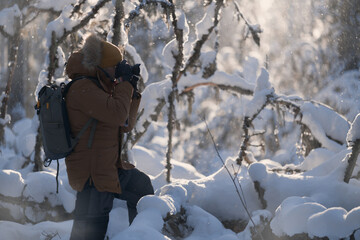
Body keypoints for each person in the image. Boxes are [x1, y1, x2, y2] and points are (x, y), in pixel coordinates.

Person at [64, 34, 154, 240]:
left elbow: (124, 124)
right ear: (101, 67)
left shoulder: (98, 87)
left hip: (107, 168)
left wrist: (131, 87)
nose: (117, 73)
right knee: (89, 230)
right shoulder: (83, 88)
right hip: (92, 173)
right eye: (115, 68)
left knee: (141, 188)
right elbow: (116, 114)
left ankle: (139, 235)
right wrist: (124, 85)